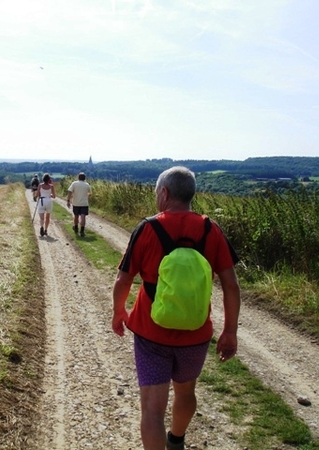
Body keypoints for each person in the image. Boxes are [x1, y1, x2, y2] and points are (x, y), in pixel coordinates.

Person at [111, 166, 240, 450]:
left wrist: (119, 311)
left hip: (150, 333)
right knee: (185, 392)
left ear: (165, 193)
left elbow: (123, 279)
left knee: (153, 408)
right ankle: (177, 440)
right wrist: (230, 331)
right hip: (195, 333)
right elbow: (231, 285)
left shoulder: (147, 227)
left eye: (157, 192)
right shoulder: (211, 230)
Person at [66, 172, 92, 237]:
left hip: (76, 203)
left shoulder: (74, 183)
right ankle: (82, 231)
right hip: (84, 203)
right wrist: (87, 196)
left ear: (78, 177)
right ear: (85, 178)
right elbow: (90, 194)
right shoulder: (87, 185)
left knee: (76, 216)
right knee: (83, 217)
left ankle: (76, 227)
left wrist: (68, 200)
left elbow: (69, 191)